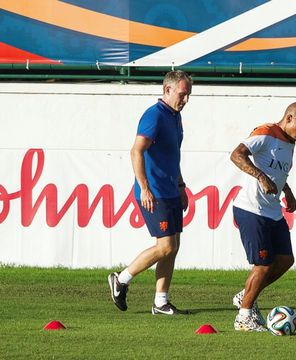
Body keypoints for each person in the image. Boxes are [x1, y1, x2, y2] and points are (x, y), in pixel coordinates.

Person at [108, 70, 192, 315]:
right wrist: (144, 187)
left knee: (173, 246)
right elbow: (136, 151)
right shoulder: (154, 116)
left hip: (171, 191)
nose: (186, 100)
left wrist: (180, 185)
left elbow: (171, 157)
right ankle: (121, 279)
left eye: (188, 95)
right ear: (167, 90)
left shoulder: (174, 116)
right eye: (182, 94)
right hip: (154, 192)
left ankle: (161, 302)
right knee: (165, 246)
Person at [230, 102, 296, 331]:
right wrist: (260, 176)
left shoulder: (290, 143)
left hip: (273, 211)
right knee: (263, 265)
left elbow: (279, 172)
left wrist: (288, 192)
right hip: (251, 209)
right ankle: (243, 318)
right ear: (288, 118)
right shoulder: (265, 133)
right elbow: (236, 155)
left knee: (286, 259)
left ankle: (246, 295)